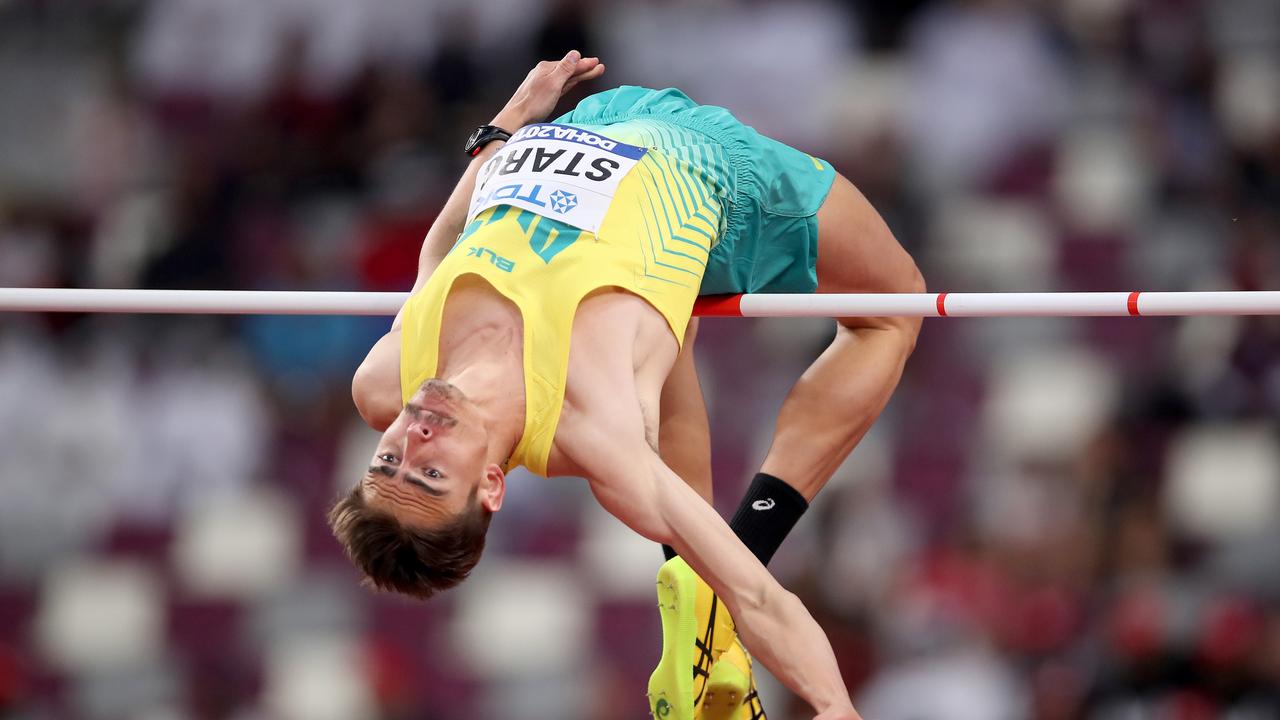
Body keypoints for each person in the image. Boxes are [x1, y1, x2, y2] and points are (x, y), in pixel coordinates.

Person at [329, 51, 922, 720]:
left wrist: (508, 122)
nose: (415, 437)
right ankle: (722, 571)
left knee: (667, 351)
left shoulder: (386, 380)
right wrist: (834, 706)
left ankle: (701, 604)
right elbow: (763, 600)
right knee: (895, 307)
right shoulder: (595, 426)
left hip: (589, 124)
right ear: (491, 486)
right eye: (431, 473)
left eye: (389, 460)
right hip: (711, 171)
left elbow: (437, 253)